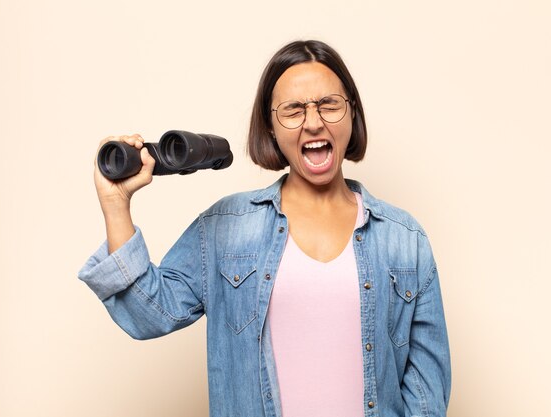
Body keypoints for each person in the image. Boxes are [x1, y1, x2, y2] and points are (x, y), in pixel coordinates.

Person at [79, 40, 451, 417]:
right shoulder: (226, 229)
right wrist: (115, 204)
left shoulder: (405, 240)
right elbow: (148, 315)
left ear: (351, 113)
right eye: (293, 110)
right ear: (271, 127)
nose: (313, 122)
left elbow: (426, 393)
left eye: (329, 104)